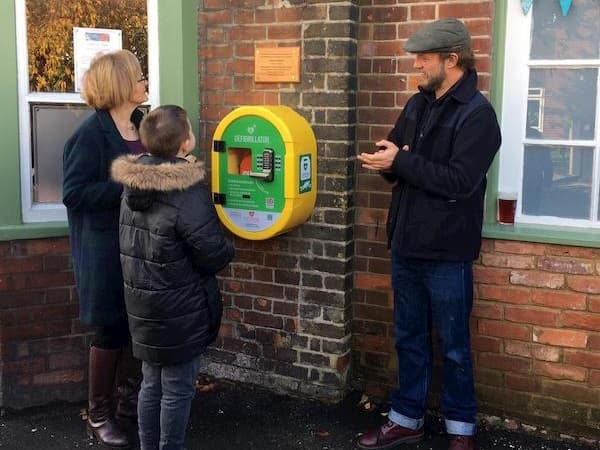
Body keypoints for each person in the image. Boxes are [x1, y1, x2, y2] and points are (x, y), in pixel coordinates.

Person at [356, 18, 501, 450]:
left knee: (454, 346)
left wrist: (401, 163)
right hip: (406, 244)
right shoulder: (417, 105)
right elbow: (398, 157)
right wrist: (388, 162)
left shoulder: (478, 116)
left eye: (424, 58)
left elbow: (459, 181)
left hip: (447, 253)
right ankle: (406, 419)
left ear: (452, 60)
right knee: (409, 338)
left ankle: (461, 431)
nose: (416, 64)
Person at [111, 105, 235, 450]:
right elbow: (211, 252)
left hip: (144, 305)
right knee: (178, 387)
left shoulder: (132, 186)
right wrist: (228, 248)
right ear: (185, 144)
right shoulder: (187, 189)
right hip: (180, 307)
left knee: (151, 382)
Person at [63, 49, 148, 449]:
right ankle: (98, 414)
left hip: (142, 246)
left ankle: (130, 402)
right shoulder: (90, 135)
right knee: (111, 327)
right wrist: (129, 183)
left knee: (138, 324)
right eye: (138, 75)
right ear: (119, 85)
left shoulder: (141, 125)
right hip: (104, 249)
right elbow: (75, 194)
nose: (145, 80)